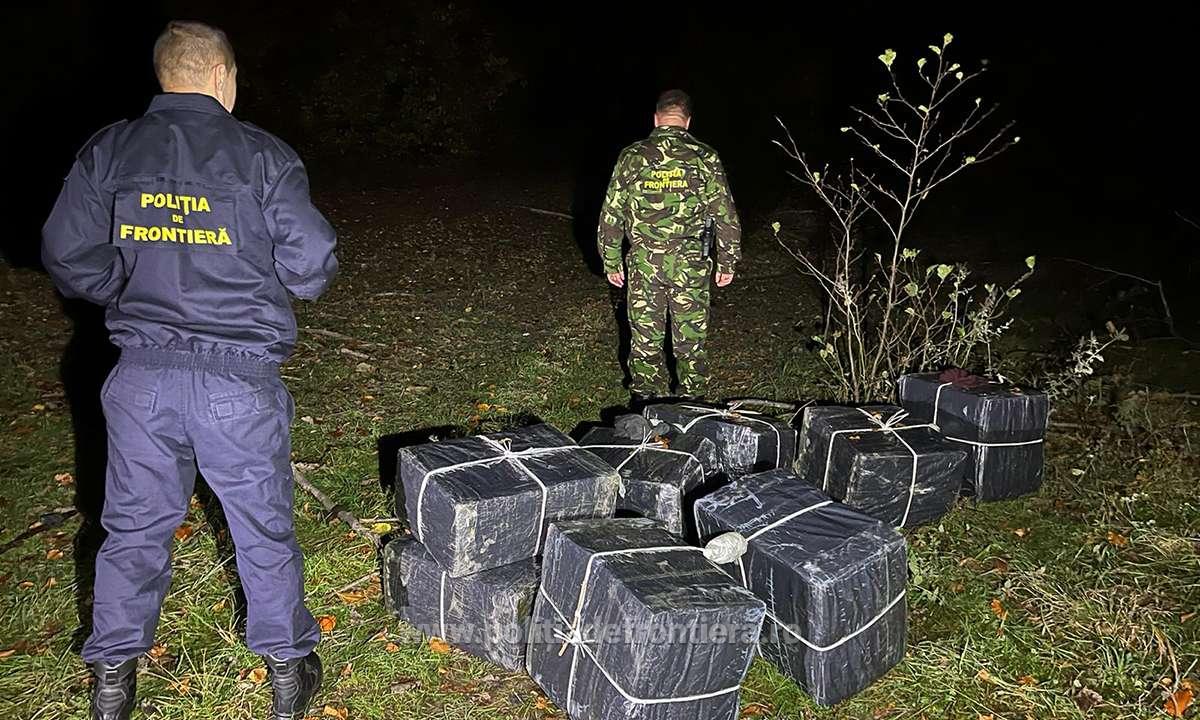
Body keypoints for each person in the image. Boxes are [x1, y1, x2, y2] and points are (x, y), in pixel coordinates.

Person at [41, 21, 337, 720]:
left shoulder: (109, 150)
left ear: (165, 76)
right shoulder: (261, 156)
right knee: (261, 530)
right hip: (237, 381)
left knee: (133, 528)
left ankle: (113, 683)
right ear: (222, 76)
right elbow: (312, 265)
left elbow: (64, 252)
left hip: (140, 378)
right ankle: (289, 678)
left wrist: (128, 288)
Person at [597, 89, 741, 405]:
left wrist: (611, 260)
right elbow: (725, 214)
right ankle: (692, 403)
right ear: (687, 121)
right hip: (690, 264)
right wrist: (727, 260)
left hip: (644, 262)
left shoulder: (632, 156)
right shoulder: (705, 156)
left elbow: (611, 213)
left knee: (645, 337)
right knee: (690, 337)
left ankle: (643, 401)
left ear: (656, 118)